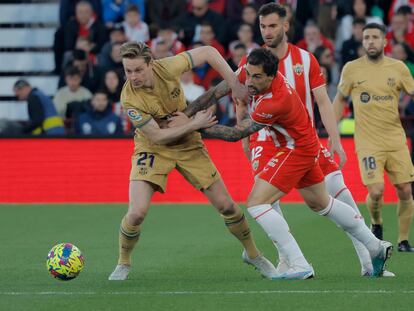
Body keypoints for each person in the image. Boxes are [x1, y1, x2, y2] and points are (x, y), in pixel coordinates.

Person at [183, 3, 394, 277]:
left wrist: (193, 127)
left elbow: (238, 132)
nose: (267, 31)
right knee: (321, 203)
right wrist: (186, 114)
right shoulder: (256, 65)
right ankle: (372, 247)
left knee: (261, 202)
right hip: (279, 139)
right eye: (263, 26)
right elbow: (222, 89)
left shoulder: (289, 80)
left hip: (294, 144)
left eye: (272, 25)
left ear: (285, 25)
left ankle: (307, 263)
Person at [108, 41, 277, 281]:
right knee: (136, 213)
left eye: (138, 70)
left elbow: (208, 51)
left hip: (188, 143)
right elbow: (156, 135)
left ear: (151, 65)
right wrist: (193, 124)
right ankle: (123, 262)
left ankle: (253, 255)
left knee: (227, 206)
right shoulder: (129, 98)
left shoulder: (167, 67)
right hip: (153, 147)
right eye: (128, 71)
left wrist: (234, 83)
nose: (133, 76)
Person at [333, 23, 414, 252]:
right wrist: (332, 132)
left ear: (384, 41)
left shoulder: (398, 68)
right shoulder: (352, 68)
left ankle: (403, 240)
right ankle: (376, 222)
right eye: (366, 37)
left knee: (405, 190)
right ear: (362, 41)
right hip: (368, 141)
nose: (370, 41)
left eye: (375, 37)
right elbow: (340, 99)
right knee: (376, 190)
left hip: (395, 139)